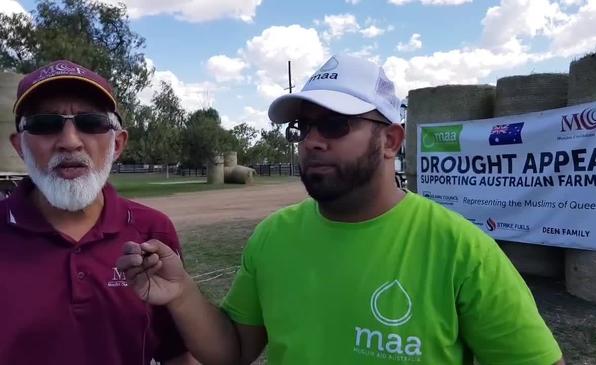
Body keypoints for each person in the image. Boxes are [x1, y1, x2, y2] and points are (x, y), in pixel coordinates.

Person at [117, 54, 565, 365]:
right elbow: (233, 351)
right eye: (304, 126)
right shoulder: (274, 237)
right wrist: (182, 294)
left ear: (391, 140)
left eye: (334, 124)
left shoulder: (461, 249)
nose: (312, 140)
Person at [0, 60, 196, 365]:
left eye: (91, 123)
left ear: (117, 144)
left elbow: (176, 353)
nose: (69, 142)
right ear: (19, 147)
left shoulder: (153, 231)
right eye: (44, 124)